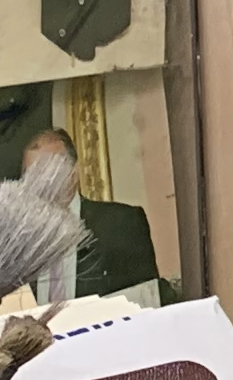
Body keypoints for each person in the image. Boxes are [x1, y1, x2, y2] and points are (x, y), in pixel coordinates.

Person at [23, 123, 158, 295]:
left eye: (48, 171)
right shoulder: (18, 240)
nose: (39, 183)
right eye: (31, 175)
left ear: (74, 172)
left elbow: (146, 300)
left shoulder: (122, 224)